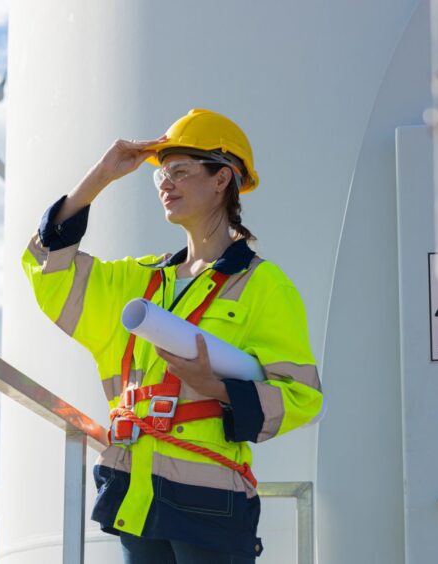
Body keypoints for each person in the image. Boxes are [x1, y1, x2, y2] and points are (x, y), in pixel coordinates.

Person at [21, 108, 323, 563]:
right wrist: (100, 177)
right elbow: (48, 272)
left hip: (210, 502)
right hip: (134, 493)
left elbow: (302, 396)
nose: (165, 182)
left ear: (222, 179)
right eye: (160, 174)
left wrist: (214, 387)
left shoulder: (264, 285)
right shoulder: (136, 280)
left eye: (180, 171)